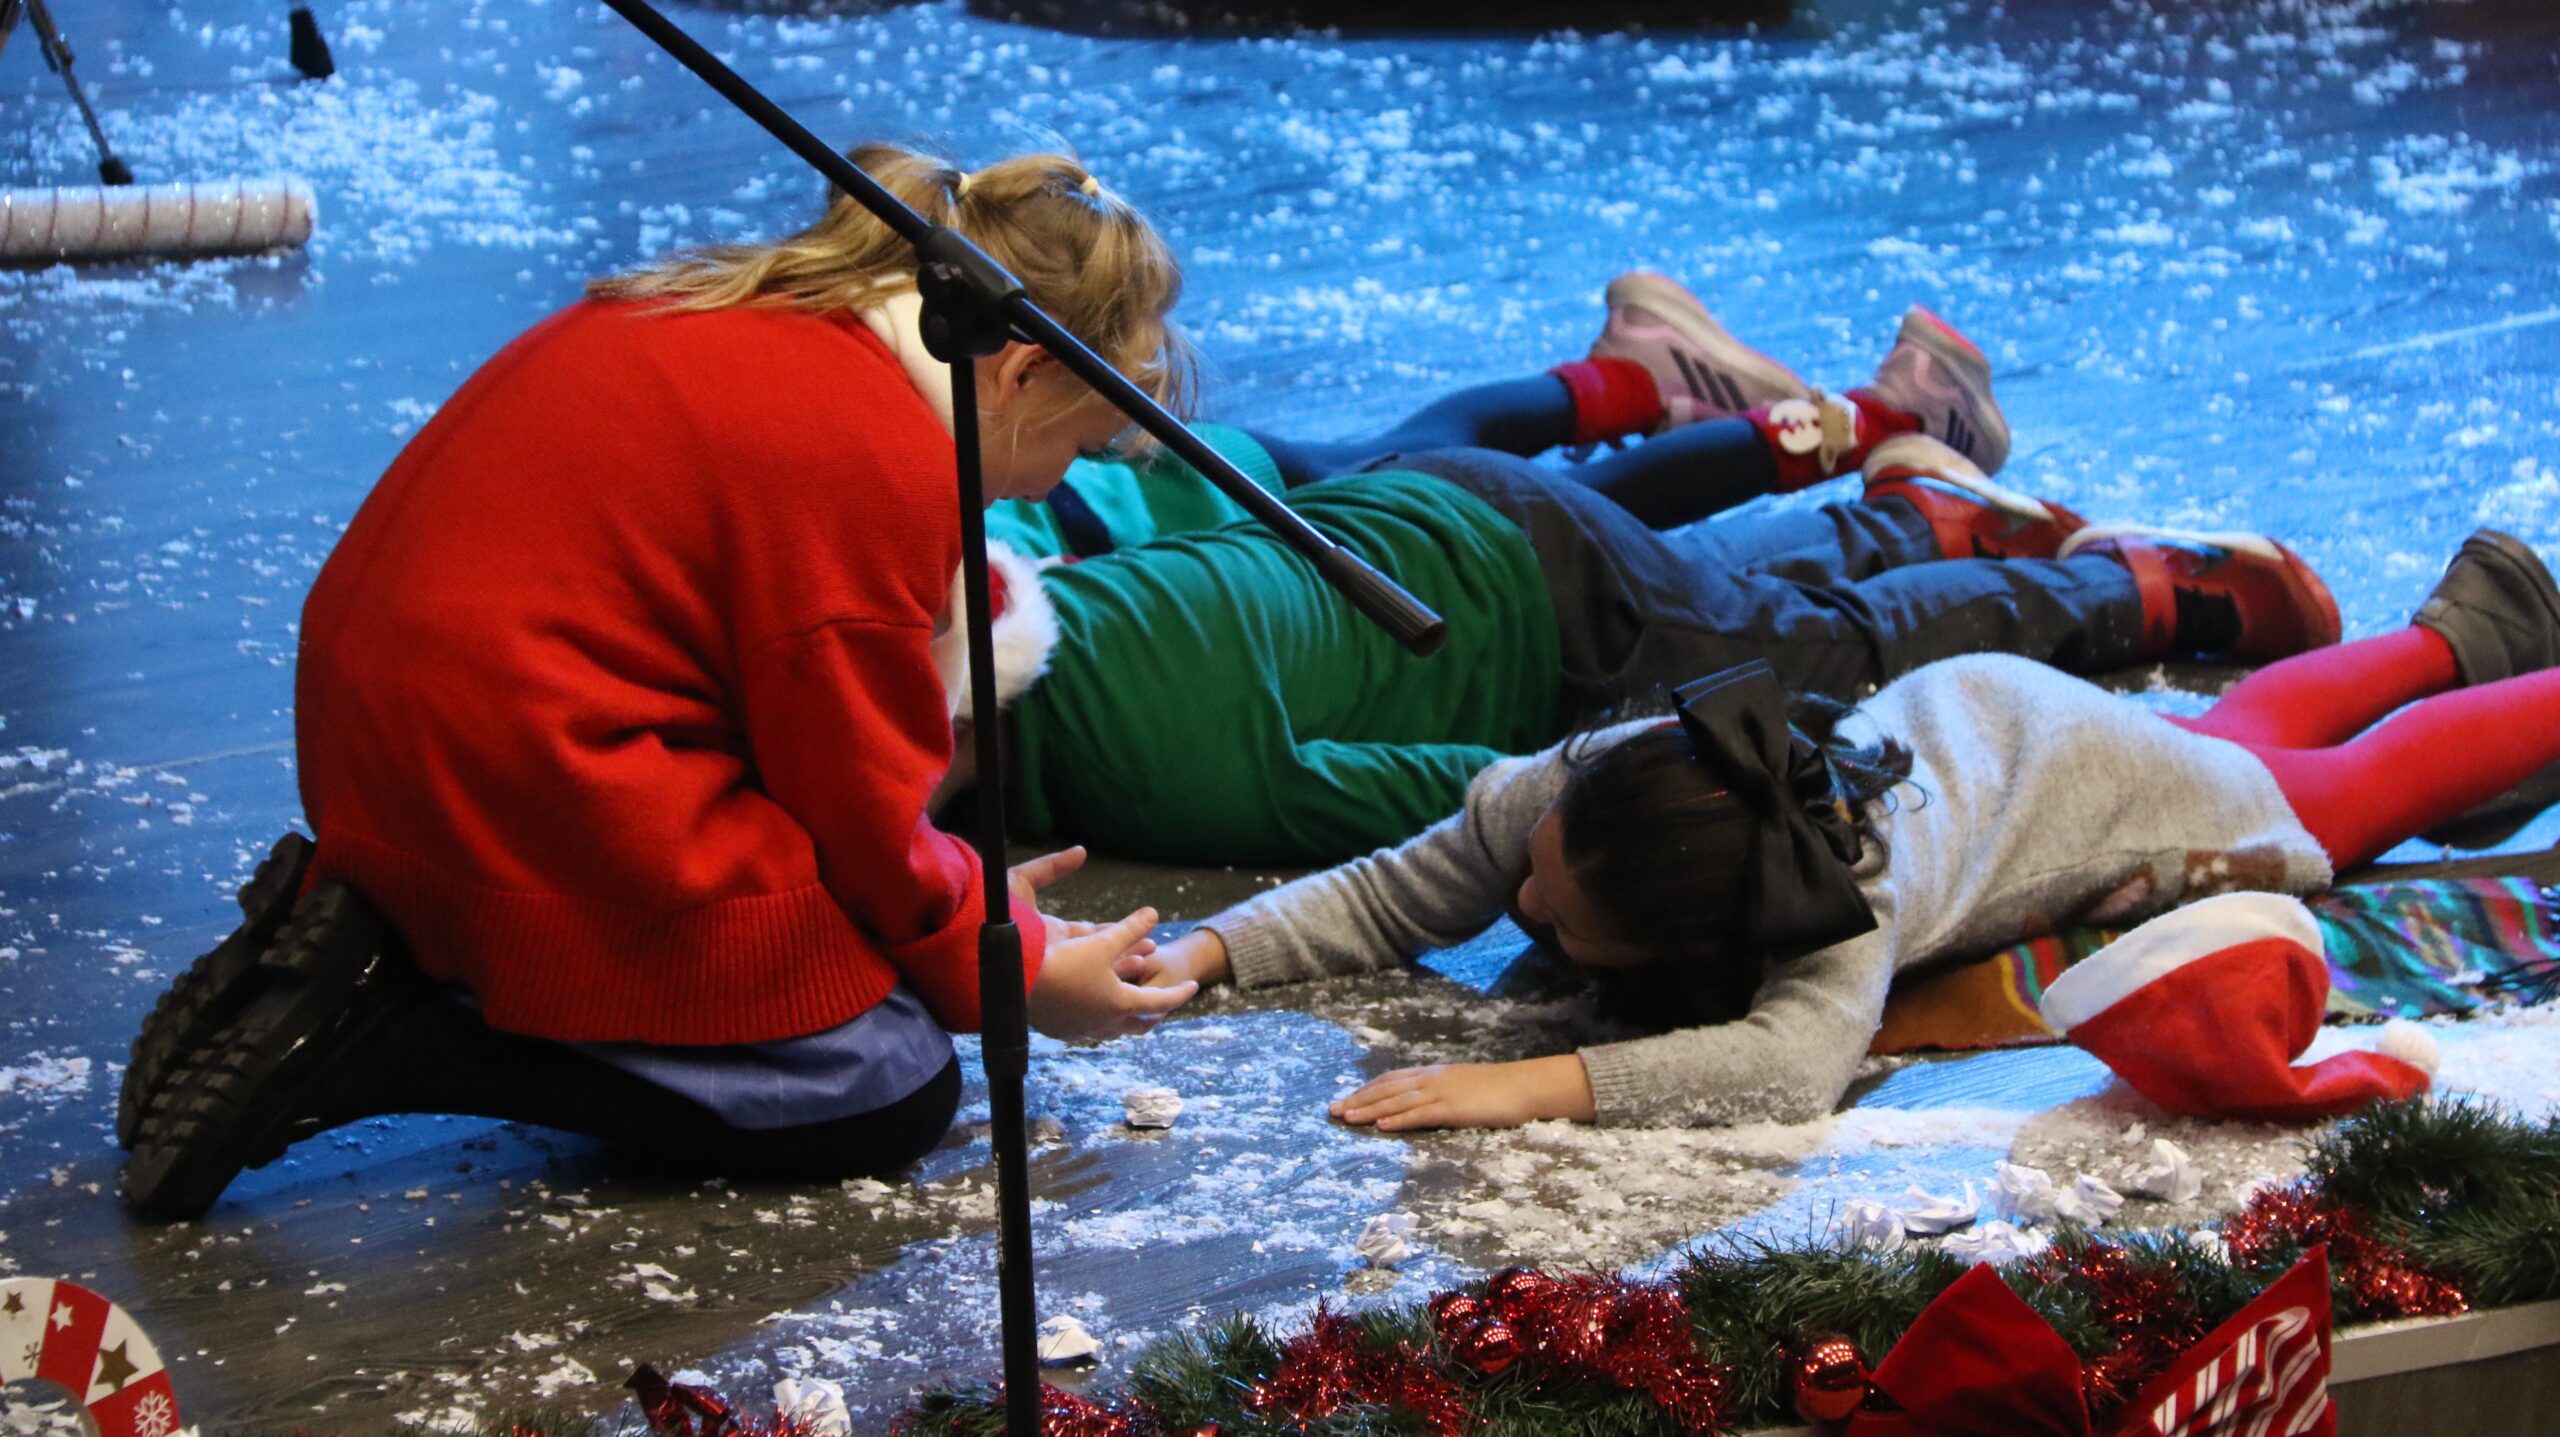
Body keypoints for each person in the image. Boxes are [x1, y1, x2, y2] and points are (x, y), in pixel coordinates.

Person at [116, 145, 1200, 1218]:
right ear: (1020, 374)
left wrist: (970, 904)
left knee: (856, 982)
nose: (1051, 486)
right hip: (525, 776)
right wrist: (1008, 968)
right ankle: (386, 1028)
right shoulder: (878, 459)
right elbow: (857, 813)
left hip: (401, 747)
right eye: (1077, 447)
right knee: (883, 1081)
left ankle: (368, 944)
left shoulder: (770, 313)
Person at [1131, 530, 2560, 1130]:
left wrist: (1530, 1085)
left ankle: (2498, 669)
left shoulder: (1833, 905)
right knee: (2241, 734)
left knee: (2330, 798)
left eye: (1554, 919)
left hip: (2071, 783)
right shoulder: (1582, 786)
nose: (1519, 902)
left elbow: (1789, 1064)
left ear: (1698, 943)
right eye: (1539, 874)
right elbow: (1402, 889)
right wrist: (1210, 948)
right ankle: (2466, 626)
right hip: (1984, 715)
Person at [953, 273, 2339, 864]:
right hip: (1453, 525)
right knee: (1731, 600)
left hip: (1525, 604)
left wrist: (1610, 835)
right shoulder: (1054, 606)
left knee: (1820, 657)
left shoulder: (1150, 769)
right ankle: (1921, 510)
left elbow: (1483, 794)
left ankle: (2162, 590)